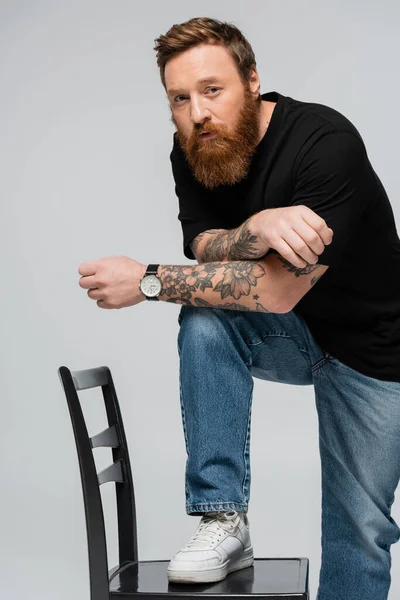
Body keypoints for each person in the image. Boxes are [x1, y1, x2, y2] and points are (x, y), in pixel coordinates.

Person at [78, 16, 400, 600]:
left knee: (361, 531)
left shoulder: (325, 144)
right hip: (293, 337)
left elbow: (277, 291)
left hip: (375, 352)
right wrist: (259, 225)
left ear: (252, 81)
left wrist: (145, 280)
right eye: (179, 98)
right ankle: (222, 518)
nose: (197, 112)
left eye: (212, 90)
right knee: (205, 317)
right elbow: (205, 247)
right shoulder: (193, 152)